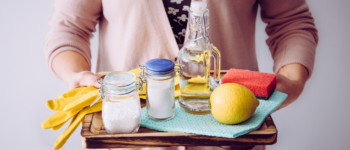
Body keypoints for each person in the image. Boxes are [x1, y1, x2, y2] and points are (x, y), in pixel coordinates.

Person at [45, 0, 318, 149]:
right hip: (129, 140)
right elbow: (70, 28)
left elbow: (291, 22)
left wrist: (292, 80)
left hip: (229, 139)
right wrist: (76, 75)